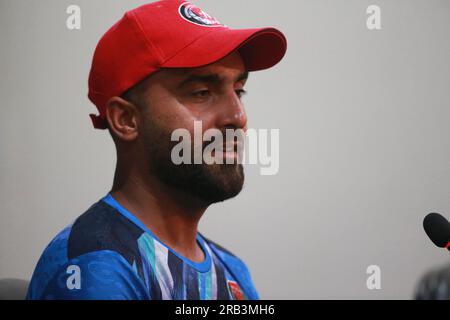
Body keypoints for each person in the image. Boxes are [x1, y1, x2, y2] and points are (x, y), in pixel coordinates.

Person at [27, 0, 287, 300]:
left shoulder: (232, 273)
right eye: (202, 93)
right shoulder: (97, 270)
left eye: (238, 91)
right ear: (126, 120)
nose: (239, 117)